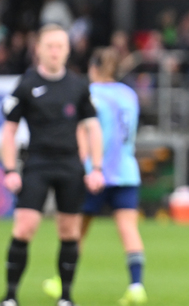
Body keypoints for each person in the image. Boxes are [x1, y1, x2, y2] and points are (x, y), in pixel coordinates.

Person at [1, 24, 104, 306]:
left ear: (68, 49)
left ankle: (66, 297)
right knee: (23, 227)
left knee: (69, 231)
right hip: (38, 164)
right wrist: (10, 170)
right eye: (50, 46)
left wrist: (96, 167)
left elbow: (93, 128)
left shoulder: (78, 85)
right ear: (39, 49)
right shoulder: (27, 84)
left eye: (60, 46)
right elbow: (8, 132)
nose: (55, 52)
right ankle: (10, 296)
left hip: (70, 165)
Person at [42, 48, 147, 305]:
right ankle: (136, 285)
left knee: (77, 231)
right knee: (128, 229)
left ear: (95, 68)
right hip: (125, 170)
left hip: (94, 172)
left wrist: (80, 167)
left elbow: (85, 132)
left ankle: (61, 280)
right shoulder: (129, 94)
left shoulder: (90, 94)